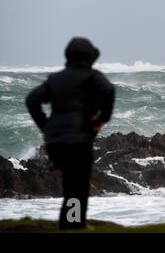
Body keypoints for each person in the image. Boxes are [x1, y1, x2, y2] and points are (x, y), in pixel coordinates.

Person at [25, 37, 115, 229]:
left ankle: (70, 222)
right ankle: (74, 224)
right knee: (78, 184)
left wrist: (46, 126)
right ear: (89, 57)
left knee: (71, 182)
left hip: (55, 143)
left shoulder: (55, 79)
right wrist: (102, 119)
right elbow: (108, 89)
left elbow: (32, 100)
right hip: (79, 141)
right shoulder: (92, 76)